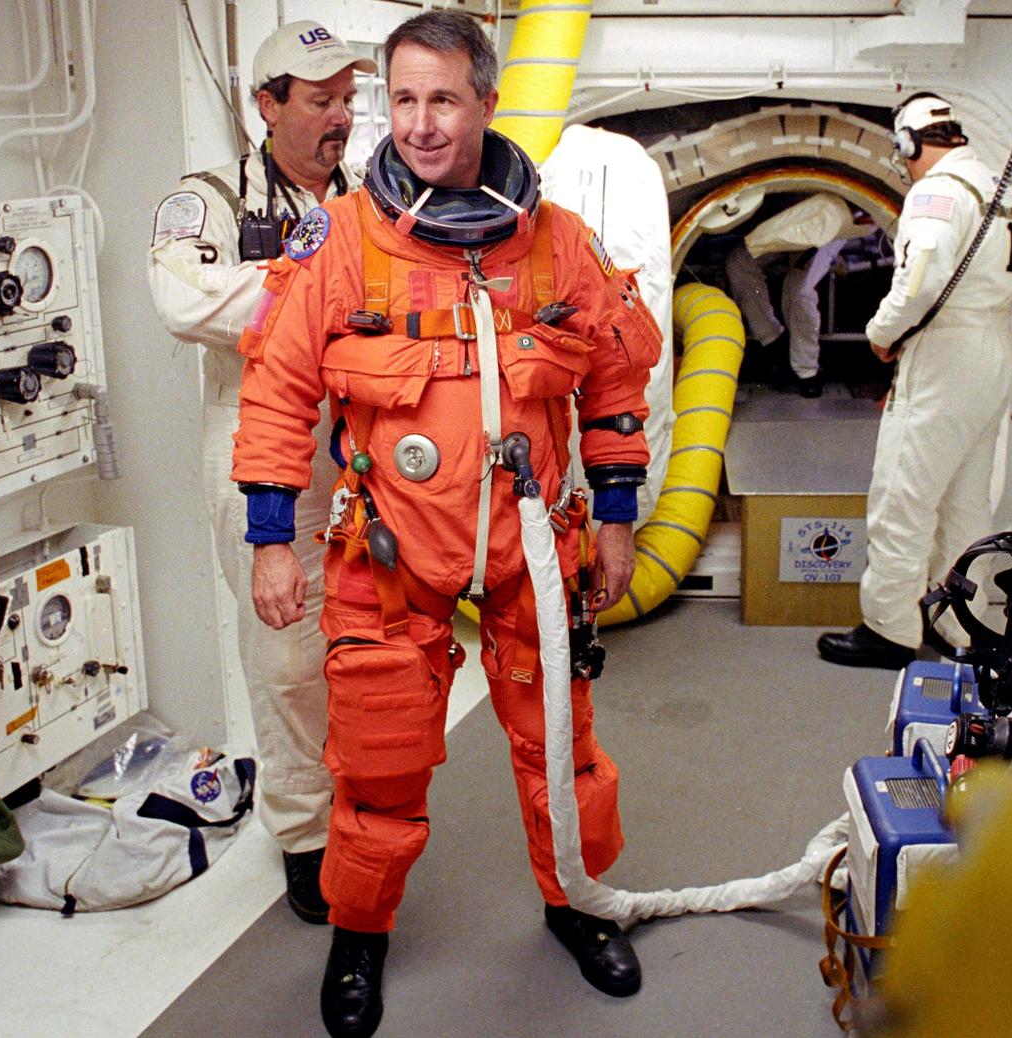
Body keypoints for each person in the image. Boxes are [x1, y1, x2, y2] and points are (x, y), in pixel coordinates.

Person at [230, 11, 663, 1037]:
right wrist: (266, 539)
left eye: (444, 100)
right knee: (375, 768)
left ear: (486, 101)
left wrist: (612, 520)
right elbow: (278, 391)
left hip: (531, 550)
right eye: (405, 99)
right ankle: (359, 937)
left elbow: (612, 384)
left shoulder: (555, 247)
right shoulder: (343, 244)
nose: (421, 124)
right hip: (390, 553)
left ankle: (574, 903)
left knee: (560, 745)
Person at [146, 21, 376, 922]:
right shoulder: (206, 199)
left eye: (347, 100)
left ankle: (367, 805)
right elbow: (184, 300)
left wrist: (291, 291)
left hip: (361, 443)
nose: (340, 118)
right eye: (320, 100)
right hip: (252, 446)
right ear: (267, 104)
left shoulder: (372, 199)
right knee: (286, 658)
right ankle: (305, 833)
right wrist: (318, 291)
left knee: (368, 648)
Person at [817, 93, 1012, 669]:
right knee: (964, 501)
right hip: (992, 352)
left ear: (908, 143)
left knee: (902, 496)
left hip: (947, 355)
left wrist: (881, 332)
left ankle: (889, 628)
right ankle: (963, 625)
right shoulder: (994, 188)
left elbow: (919, 280)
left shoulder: (939, 192)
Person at [725, 238, 843, 398]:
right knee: (738, 263)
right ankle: (773, 341)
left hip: (824, 232)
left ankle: (807, 371)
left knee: (799, 290)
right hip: (786, 227)